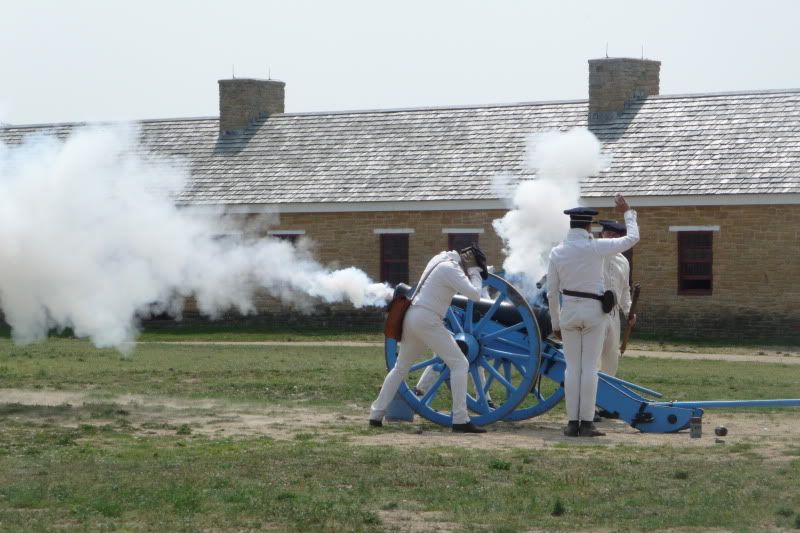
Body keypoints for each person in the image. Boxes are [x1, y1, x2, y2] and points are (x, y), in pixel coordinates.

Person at [369, 245, 489, 433]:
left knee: (400, 368)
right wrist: (475, 273)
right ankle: (460, 419)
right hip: (428, 319)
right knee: (460, 364)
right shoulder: (451, 268)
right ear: (467, 262)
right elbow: (475, 295)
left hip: (413, 316)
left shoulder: (439, 259)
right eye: (471, 267)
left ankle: (376, 414)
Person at [546, 195, 639, 437]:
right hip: (594, 312)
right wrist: (627, 212)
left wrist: (555, 322)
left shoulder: (557, 252)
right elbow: (632, 238)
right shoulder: (596, 247)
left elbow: (551, 291)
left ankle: (571, 422)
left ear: (571, 225)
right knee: (589, 369)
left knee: (572, 369)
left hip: (568, 312)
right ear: (589, 226)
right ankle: (586, 422)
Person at [597, 219, 637, 378]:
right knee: (594, 361)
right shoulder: (593, 255)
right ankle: (590, 402)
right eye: (608, 234)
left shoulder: (623, 261)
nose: (612, 238)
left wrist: (628, 311)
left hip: (613, 316)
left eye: (615, 235)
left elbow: (625, 289)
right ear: (602, 234)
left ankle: (605, 401)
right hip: (595, 311)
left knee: (610, 361)